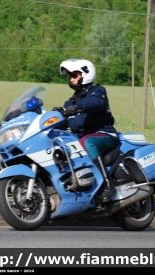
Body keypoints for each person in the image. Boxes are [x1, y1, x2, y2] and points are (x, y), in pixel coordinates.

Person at [55, 59, 120, 203]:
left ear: (86, 74)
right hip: (81, 138)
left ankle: (107, 184)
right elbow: (64, 121)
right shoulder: (70, 102)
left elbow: (96, 103)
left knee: (87, 142)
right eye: (70, 75)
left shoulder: (97, 91)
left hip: (104, 134)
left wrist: (78, 107)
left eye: (74, 75)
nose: (71, 78)